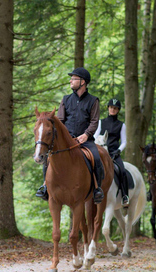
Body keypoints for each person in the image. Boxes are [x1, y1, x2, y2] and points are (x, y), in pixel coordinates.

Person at [36, 67, 105, 204]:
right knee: (49, 158)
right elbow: (60, 121)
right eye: (71, 78)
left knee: (96, 157)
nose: (70, 81)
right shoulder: (66, 99)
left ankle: (97, 189)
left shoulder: (93, 100)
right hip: (67, 140)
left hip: (85, 140)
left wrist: (86, 135)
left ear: (82, 82)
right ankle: (44, 186)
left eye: (73, 78)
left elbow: (94, 121)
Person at [94, 98, 129, 207]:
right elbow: (95, 136)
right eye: (111, 107)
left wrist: (118, 151)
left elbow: (124, 141)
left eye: (115, 108)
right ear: (108, 108)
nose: (112, 110)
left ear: (118, 110)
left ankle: (124, 196)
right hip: (101, 151)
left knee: (122, 171)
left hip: (114, 153)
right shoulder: (101, 122)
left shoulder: (121, 125)